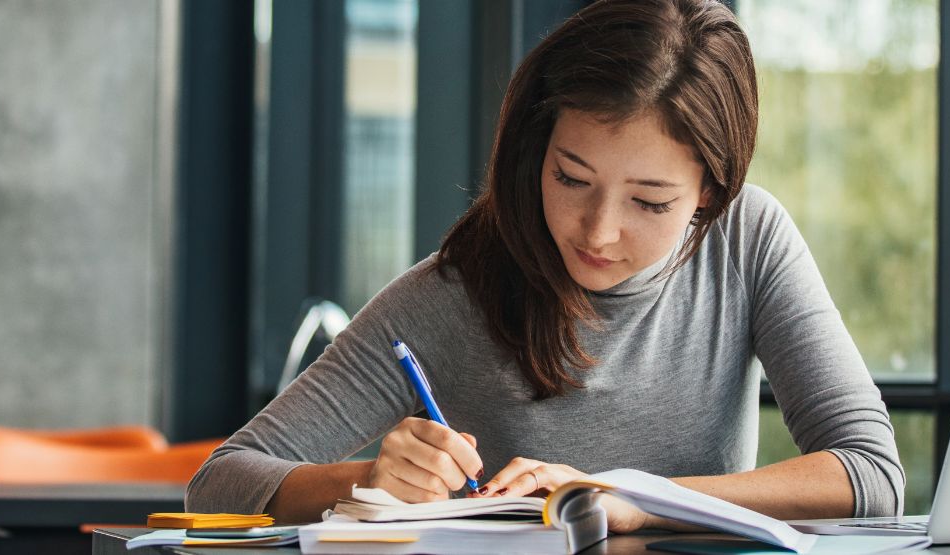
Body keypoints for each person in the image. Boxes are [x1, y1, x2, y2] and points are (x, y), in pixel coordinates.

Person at [187, 0, 903, 532]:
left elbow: (870, 473)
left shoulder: (748, 241)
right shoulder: (454, 293)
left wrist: (631, 499)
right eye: (570, 178)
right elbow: (219, 481)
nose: (598, 230)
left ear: (710, 193)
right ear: (537, 149)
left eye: (650, 202)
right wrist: (368, 479)